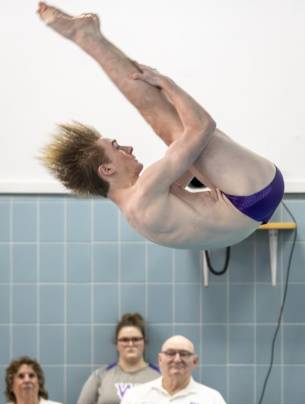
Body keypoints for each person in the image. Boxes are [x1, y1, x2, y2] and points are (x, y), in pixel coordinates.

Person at [37, 2, 284, 250]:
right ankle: (86, 37)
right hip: (252, 192)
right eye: (117, 147)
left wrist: (181, 144)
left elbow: (185, 164)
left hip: (252, 207)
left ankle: (89, 38)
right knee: (175, 129)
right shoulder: (145, 192)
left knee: (177, 136)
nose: (129, 148)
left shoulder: (136, 209)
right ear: (107, 170)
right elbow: (204, 126)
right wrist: (166, 83)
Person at [113, 335, 233, 404]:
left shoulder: (213, 399)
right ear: (160, 359)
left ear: (195, 361)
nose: (177, 359)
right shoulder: (135, 396)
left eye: (184, 354)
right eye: (170, 353)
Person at [74, 313, 159, 404]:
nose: (130, 344)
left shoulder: (160, 376)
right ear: (117, 344)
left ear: (144, 342)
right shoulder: (100, 376)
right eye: (125, 340)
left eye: (135, 339)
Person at [0, 356, 79, 404]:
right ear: (11, 385)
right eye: (21, 376)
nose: (27, 380)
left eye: (31, 376)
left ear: (39, 383)